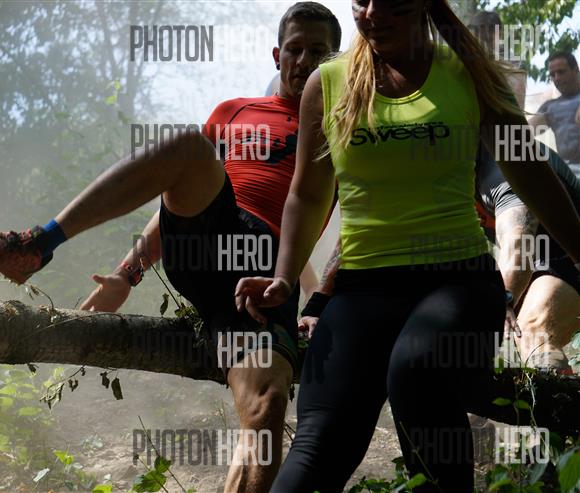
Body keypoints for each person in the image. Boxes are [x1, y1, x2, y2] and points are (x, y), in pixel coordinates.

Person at [0, 3, 341, 492]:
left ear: (335, 62)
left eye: (318, 52)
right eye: (295, 49)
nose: (304, 61)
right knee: (188, 148)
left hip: (268, 273)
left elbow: (361, 225)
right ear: (277, 55)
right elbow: (180, 195)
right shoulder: (235, 111)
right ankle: (37, 244)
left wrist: (320, 303)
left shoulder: (345, 128)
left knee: (266, 409)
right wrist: (127, 274)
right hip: (211, 236)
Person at [235, 1, 580, 492]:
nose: (374, 13)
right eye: (363, 1)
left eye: (393, 1)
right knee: (319, 439)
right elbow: (307, 195)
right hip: (363, 289)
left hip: (457, 282)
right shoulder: (327, 83)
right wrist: (285, 278)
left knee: (415, 370)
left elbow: (528, 176)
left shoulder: (467, 71)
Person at [475, 142, 580, 373]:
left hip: (568, 256)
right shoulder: (448, 178)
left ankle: (557, 397)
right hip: (539, 260)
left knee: (534, 333)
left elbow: (519, 244)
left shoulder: (502, 164)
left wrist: (502, 302)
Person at [529, 52, 580, 177]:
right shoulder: (550, 107)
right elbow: (524, 132)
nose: (556, 78)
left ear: (576, 70)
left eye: (561, 72)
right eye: (553, 74)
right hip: (569, 173)